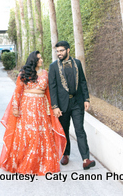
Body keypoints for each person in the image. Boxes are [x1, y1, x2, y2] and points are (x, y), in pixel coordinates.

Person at [0, 51, 66, 175]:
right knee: (28, 134)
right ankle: (24, 162)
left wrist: (53, 108)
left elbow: (49, 92)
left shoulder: (45, 73)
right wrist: (15, 107)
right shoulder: (24, 74)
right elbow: (17, 92)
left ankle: (39, 164)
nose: (41, 60)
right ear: (33, 60)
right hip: (27, 107)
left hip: (41, 108)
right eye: (39, 58)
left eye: (41, 58)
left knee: (40, 134)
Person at [48, 41, 96, 170]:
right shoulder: (53, 67)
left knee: (79, 130)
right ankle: (66, 154)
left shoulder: (77, 63)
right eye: (57, 51)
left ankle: (86, 159)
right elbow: (52, 88)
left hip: (77, 102)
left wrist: (86, 98)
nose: (59, 53)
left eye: (61, 51)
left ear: (68, 50)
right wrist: (55, 106)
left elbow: (82, 82)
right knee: (64, 130)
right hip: (62, 105)